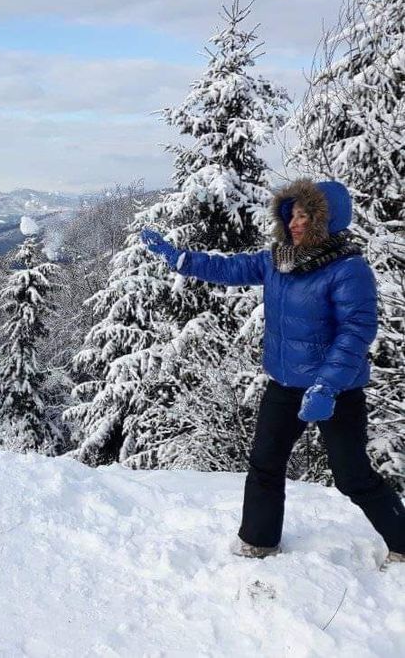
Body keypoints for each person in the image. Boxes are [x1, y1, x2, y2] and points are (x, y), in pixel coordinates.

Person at [141, 179, 404, 566]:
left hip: (335, 391)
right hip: (284, 384)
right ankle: (258, 541)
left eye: (305, 216)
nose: (296, 223)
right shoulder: (278, 260)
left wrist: (327, 386)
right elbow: (232, 267)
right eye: (292, 214)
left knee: (352, 476)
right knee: (265, 463)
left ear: (327, 221)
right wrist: (183, 260)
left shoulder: (349, 270)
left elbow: (356, 332)